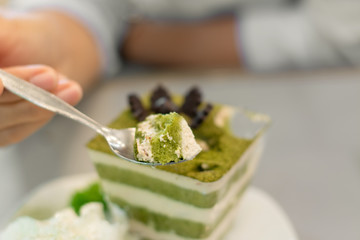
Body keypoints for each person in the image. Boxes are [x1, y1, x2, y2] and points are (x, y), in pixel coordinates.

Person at [1, 0, 360, 146]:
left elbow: (337, 33)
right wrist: (41, 41)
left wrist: (140, 41)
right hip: (96, 95)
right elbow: (86, 8)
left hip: (308, 109)